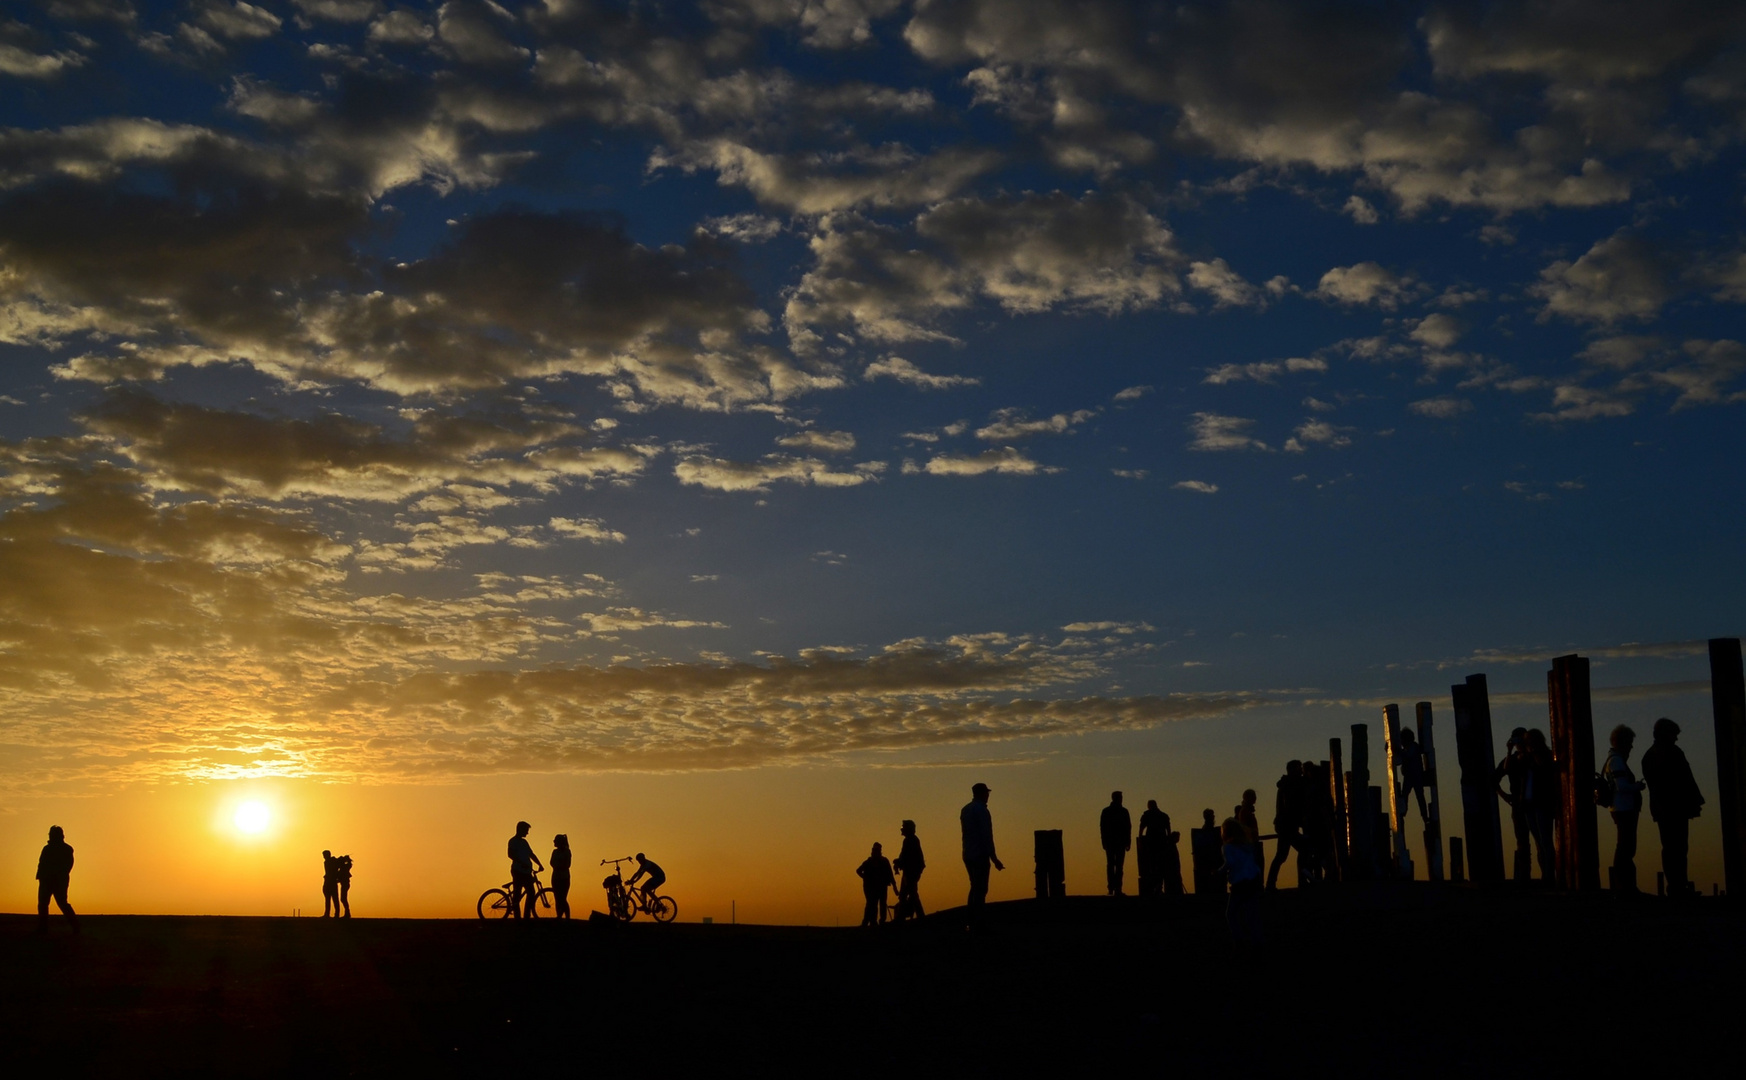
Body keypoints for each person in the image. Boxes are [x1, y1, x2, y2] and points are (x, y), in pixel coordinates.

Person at [1641, 718, 1705, 897]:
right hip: (1673, 808)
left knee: (1673, 847)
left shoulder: (1651, 755)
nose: (1676, 738)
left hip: (1666, 809)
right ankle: (1678, 886)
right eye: (1674, 734)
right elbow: (1683, 780)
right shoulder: (1671, 753)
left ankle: (1677, 885)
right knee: (1676, 848)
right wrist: (1693, 801)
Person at [1602, 725, 1647, 893]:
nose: (1631, 746)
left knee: (1625, 846)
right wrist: (1637, 786)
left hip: (1621, 808)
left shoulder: (1613, 759)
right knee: (1625, 847)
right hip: (1624, 808)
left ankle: (1625, 885)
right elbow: (1622, 786)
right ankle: (1625, 885)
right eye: (1629, 742)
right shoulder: (1617, 761)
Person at [960, 782, 1004, 918]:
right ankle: (978, 921)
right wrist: (994, 858)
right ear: (982, 794)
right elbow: (986, 835)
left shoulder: (965, 809)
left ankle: (971, 919)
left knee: (974, 886)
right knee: (980, 889)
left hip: (968, 853)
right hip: (980, 854)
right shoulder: (982, 811)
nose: (987, 796)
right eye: (986, 793)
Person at [1494, 728, 1532, 879]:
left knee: (1538, 840)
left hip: (1532, 803)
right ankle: (1524, 875)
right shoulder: (1511, 760)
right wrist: (1505, 796)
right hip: (1518, 804)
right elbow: (1494, 778)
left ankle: (1543, 875)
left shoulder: (1531, 757)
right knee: (1522, 841)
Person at [1523, 730, 1558, 881]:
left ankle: (1549, 874)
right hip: (1530, 805)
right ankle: (1546, 873)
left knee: (1545, 840)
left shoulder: (1545, 756)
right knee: (1539, 841)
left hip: (1542, 804)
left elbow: (1546, 771)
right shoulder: (1527, 759)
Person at [1221, 817, 1262, 944]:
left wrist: (1219, 872)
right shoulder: (1247, 846)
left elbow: (1230, 863)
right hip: (1253, 881)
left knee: (1230, 913)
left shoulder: (1227, 847)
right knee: (1252, 914)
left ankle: (1239, 940)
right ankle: (1258, 940)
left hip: (1239, 884)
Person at [1266, 762, 1304, 891]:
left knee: (1281, 855)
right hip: (1287, 826)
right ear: (1293, 770)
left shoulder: (1286, 785)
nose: (1301, 771)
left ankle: (1271, 883)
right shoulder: (1289, 786)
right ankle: (1301, 880)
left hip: (1285, 825)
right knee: (1301, 850)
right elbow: (1290, 808)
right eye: (1299, 768)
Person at [36, 825, 78, 934]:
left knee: (60, 903)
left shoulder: (65, 849)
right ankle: (43, 928)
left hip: (57, 880)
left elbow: (67, 866)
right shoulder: (49, 848)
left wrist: (54, 875)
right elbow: (42, 864)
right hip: (48, 879)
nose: (50, 836)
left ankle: (75, 926)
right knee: (44, 904)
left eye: (52, 834)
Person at [507, 821, 545, 918]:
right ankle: (518, 918)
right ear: (520, 830)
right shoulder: (513, 841)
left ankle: (526, 916)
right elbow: (510, 854)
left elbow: (531, 854)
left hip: (526, 871)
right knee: (517, 894)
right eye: (526, 830)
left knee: (531, 893)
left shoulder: (524, 842)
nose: (527, 833)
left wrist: (539, 864)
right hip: (518, 871)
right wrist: (521, 863)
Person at [1100, 791, 1132, 896]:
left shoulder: (1106, 811)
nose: (1122, 799)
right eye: (1121, 797)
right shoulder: (1123, 811)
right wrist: (1128, 841)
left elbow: (1103, 828)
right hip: (1118, 842)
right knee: (1118, 866)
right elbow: (1128, 827)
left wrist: (1104, 841)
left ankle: (1113, 888)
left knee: (1112, 865)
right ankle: (1116, 888)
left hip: (1112, 842)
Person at [1395, 727, 1428, 825]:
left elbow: (1407, 755)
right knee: (1406, 795)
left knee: (1418, 796)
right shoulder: (1411, 748)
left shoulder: (1413, 747)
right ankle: (1404, 812)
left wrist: (1397, 750)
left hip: (1414, 776)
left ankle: (1424, 816)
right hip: (1411, 776)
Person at [857, 842, 896, 926]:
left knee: (880, 904)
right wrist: (866, 878)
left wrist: (895, 887)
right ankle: (871, 922)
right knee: (872, 904)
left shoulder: (884, 861)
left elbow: (890, 874)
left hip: (881, 887)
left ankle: (880, 921)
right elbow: (858, 871)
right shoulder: (868, 862)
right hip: (871, 888)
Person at [893, 820, 925, 921]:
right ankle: (901, 916)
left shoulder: (910, 840)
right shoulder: (911, 840)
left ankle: (920, 916)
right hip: (909, 871)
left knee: (912, 894)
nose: (901, 829)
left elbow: (908, 857)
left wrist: (899, 862)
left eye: (903, 827)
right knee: (904, 895)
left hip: (911, 872)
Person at [1136, 799, 1168, 897]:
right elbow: (1168, 830)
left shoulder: (1147, 815)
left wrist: (1140, 840)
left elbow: (1141, 828)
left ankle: (1156, 887)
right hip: (1160, 843)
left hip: (1152, 844)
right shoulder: (1163, 816)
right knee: (1160, 866)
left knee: (1153, 866)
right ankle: (1158, 887)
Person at [1191, 809, 1225, 898]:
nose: (1213, 817)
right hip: (1210, 862)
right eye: (1212, 815)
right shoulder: (1209, 832)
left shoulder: (1206, 831)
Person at [1237, 790, 1262, 869]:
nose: (1255, 798)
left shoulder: (1247, 811)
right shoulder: (1245, 812)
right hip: (1250, 845)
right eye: (1253, 796)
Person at [550, 834, 573, 919]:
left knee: (563, 898)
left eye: (555, 840)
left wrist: (559, 866)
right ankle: (559, 915)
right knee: (557, 898)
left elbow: (568, 864)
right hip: (555, 877)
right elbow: (551, 862)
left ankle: (567, 916)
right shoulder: (554, 852)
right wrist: (557, 866)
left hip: (564, 877)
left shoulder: (567, 851)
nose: (554, 842)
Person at [321, 850, 341, 918]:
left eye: (324, 855)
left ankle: (336, 914)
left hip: (331, 882)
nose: (323, 857)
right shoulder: (328, 862)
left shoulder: (331, 861)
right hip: (328, 882)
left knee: (334, 899)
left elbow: (333, 870)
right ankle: (328, 914)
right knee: (328, 899)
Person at [336, 853, 353, 918]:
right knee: (343, 899)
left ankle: (347, 913)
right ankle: (347, 913)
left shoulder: (344, 868)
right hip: (344, 884)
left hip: (345, 884)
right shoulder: (343, 868)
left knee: (343, 899)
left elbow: (349, 864)